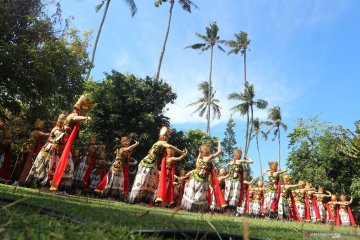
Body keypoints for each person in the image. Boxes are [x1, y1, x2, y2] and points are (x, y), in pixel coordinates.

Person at [50, 94, 96, 191]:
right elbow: (75, 118)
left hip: (66, 145)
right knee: (67, 166)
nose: (84, 112)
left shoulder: (75, 115)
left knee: (66, 166)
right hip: (62, 144)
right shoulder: (73, 115)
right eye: (84, 111)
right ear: (80, 109)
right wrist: (86, 118)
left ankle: (58, 186)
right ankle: (57, 186)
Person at [129, 127, 184, 204]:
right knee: (146, 180)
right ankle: (139, 199)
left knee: (148, 180)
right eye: (167, 136)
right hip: (149, 163)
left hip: (149, 162)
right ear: (164, 136)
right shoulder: (161, 142)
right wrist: (181, 152)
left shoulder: (157, 142)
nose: (167, 138)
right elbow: (170, 146)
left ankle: (142, 199)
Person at [181, 139, 226, 212]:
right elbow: (219, 152)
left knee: (194, 194)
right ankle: (195, 209)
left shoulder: (199, 160)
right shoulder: (208, 158)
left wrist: (199, 153)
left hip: (196, 178)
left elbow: (197, 166)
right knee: (199, 196)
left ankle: (191, 208)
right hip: (202, 180)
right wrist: (218, 143)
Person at [25, 114, 66, 187]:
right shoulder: (57, 129)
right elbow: (57, 134)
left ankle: (35, 183)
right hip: (47, 149)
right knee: (40, 165)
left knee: (42, 166)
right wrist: (62, 134)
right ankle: (30, 182)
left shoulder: (58, 128)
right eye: (61, 120)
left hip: (49, 149)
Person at [11, 119, 49, 186]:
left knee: (23, 165)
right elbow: (45, 134)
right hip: (29, 150)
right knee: (25, 166)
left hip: (27, 149)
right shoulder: (36, 132)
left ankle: (19, 181)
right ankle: (19, 181)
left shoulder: (33, 131)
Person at [102, 136, 139, 200]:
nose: (128, 143)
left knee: (119, 181)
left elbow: (127, 159)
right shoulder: (122, 149)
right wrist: (136, 144)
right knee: (113, 180)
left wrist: (133, 163)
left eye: (129, 142)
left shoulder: (124, 150)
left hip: (120, 166)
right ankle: (110, 195)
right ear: (124, 143)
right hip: (117, 165)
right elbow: (128, 149)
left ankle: (115, 196)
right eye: (127, 142)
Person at [224, 148, 253, 214]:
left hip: (229, 181)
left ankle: (227, 210)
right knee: (235, 194)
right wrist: (248, 158)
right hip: (236, 181)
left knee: (229, 194)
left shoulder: (231, 162)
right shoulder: (240, 161)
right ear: (239, 155)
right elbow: (251, 161)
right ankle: (233, 210)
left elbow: (227, 168)